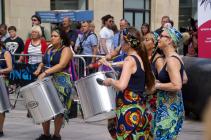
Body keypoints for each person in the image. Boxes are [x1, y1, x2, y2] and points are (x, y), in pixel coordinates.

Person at [103, 27, 155, 139]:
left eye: (122, 41)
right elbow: (125, 64)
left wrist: (110, 81)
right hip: (139, 108)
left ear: (129, 44)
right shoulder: (139, 57)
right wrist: (111, 64)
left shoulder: (129, 60)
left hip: (129, 109)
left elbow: (122, 85)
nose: (121, 44)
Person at [34, 28, 73, 140]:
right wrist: (39, 68)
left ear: (61, 38)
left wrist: (45, 72)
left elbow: (61, 65)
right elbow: (43, 61)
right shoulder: (49, 48)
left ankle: (56, 135)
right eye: (51, 35)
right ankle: (46, 134)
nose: (52, 38)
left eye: (55, 36)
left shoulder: (66, 50)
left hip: (61, 81)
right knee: (44, 107)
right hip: (46, 80)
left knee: (58, 110)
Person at [154, 27, 188, 139]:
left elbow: (177, 85)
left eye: (161, 36)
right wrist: (162, 81)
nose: (158, 38)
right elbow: (184, 79)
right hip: (169, 107)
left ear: (169, 40)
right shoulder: (172, 57)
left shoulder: (171, 60)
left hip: (169, 110)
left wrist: (157, 85)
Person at [0, 41, 13, 137]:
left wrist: (0, 71)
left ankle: (0, 130)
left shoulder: (5, 53)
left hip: (2, 81)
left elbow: (10, 68)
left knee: (1, 108)